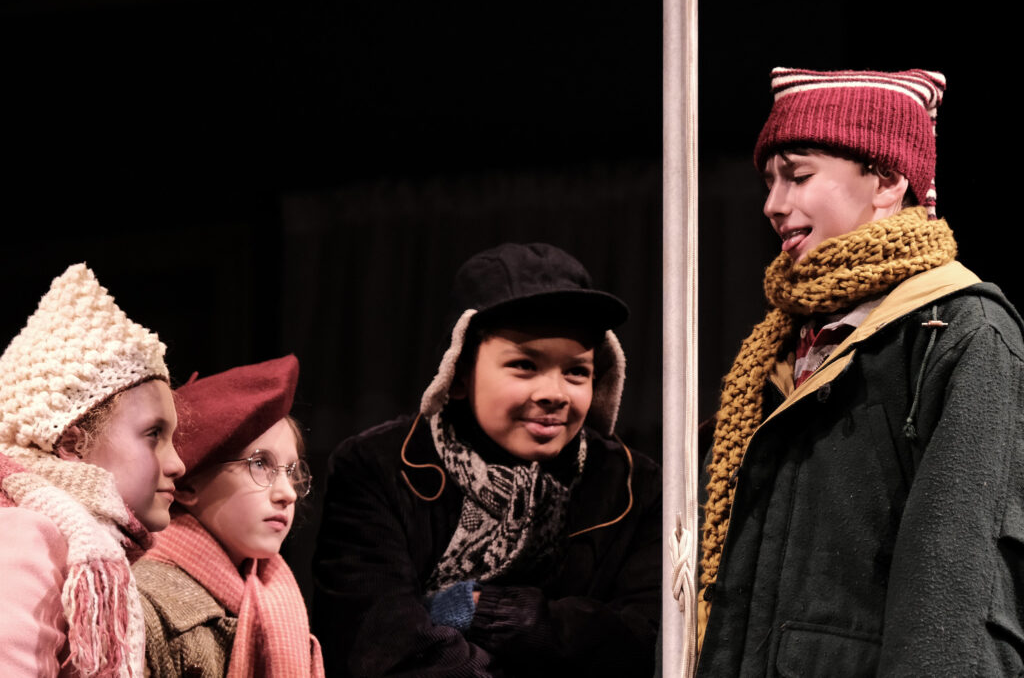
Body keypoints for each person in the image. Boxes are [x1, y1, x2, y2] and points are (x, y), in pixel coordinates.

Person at [697, 68, 1024, 675]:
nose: (773, 205)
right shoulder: (778, 348)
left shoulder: (960, 330)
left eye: (797, 176)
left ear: (888, 179)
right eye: (767, 182)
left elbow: (954, 582)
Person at [313, 242, 661, 677]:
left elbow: (646, 643)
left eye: (577, 371)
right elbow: (381, 647)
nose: (555, 393)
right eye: (524, 365)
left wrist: (490, 611)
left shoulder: (632, 485)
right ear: (457, 374)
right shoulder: (378, 468)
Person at [0, 263, 186, 677]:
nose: (177, 464)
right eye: (153, 434)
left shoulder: (92, 547)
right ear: (72, 444)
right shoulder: (27, 535)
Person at [133, 354, 325, 677]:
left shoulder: (275, 599)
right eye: (260, 464)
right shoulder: (143, 605)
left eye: (292, 471)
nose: (288, 493)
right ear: (186, 485)